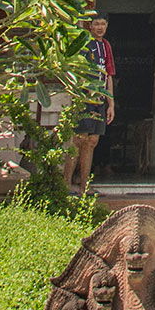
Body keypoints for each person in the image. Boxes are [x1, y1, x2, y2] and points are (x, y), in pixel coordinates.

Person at [67, 11, 115, 192]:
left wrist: (111, 103)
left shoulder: (106, 46)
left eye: (103, 24)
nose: (100, 27)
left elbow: (109, 74)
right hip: (83, 98)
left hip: (100, 100)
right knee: (78, 139)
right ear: (90, 25)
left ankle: (84, 185)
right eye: (96, 24)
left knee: (92, 140)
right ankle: (67, 182)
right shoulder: (83, 42)